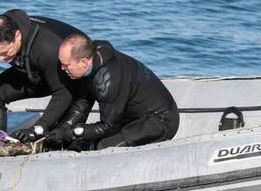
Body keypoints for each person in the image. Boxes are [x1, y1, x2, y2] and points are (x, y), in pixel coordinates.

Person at [46, 33, 179, 149]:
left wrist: (74, 131)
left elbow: (108, 127)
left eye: (66, 65)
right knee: (79, 141)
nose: (62, 69)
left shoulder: (106, 80)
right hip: (129, 117)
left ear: (84, 62)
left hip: (160, 120)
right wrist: (64, 128)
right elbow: (83, 102)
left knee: (102, 146)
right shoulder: (89, 63)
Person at [0, 9, 85, 141]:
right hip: (33, 71)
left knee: (59, 137)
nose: (0, 59)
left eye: (5, 53)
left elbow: (63, 93)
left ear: (18, 36)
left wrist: (38, 127)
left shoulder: (46, 47)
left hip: (71, 79)